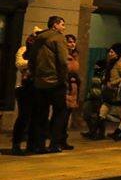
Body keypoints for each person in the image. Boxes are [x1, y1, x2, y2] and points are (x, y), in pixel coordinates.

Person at [26, 16, 70, 152]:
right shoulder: (58, 38)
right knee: (60, 113)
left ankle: (38, 145)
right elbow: (63, 61)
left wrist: (35, 75)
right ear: (55, 25)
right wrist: (64, 79)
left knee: (41, 114)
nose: (64, 28)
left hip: (40, 83)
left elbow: (31, 59)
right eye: (62, 24)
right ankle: (54, 144)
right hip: (55, 82)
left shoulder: (38, 39)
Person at [11, 28, 42, 155]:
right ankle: (16, 144)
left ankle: (31, 145)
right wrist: (34, 62)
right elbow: (20, 63)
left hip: (37, 87)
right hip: (23, 87)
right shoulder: (23, 50)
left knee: (36, 118)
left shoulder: (41, 52)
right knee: (23, 117)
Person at [93, 43, 121, 140]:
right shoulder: (111, 62)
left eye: (112, 52)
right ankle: (98, 133)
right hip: (109, 92)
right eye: (109, 52)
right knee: (102, 112)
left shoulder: (120, 63)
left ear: (117, 53)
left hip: (116, 93)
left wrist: (112, 83)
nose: (109, 53)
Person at [60, 34, 81, 150]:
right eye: (69, 42)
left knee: (67, 115)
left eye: (73, 42)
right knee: (62, 115)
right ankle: (59, 139)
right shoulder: (64, 55)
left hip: (73, 88)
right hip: (66, 87)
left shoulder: (75, 56)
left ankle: (63, 139)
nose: (72, 44)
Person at [81, 59, 106, 138]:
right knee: (86, 114)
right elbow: (92, 85)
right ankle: (92, 130)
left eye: (97, 66)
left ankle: (100, 133)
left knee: (100, 116)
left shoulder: (104, 75)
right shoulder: (95, 74)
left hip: (100, 98)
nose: (95, 67)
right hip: (91, 97)